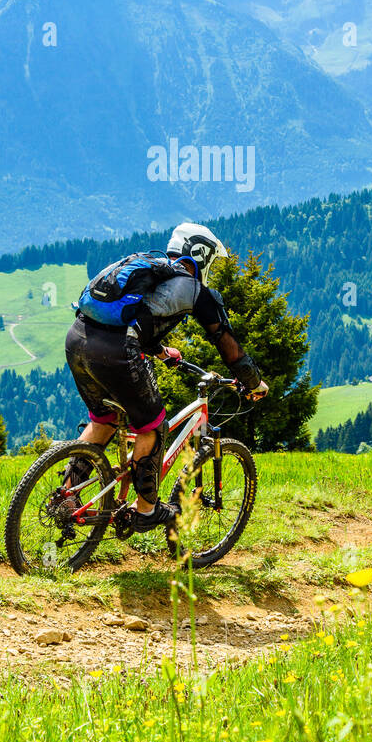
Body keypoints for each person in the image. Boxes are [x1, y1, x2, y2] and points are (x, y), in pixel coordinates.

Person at [64, 222, 268, 532]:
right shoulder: (194, 289)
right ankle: (145, 510)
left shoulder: (151, 269)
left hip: (78, 338)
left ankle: (66, 496)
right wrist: (253, 382)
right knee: (153, 425)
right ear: (201, 256)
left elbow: (133, 318)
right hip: (116, 351)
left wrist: (159, 351)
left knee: (103, 419)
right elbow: (228, 347)